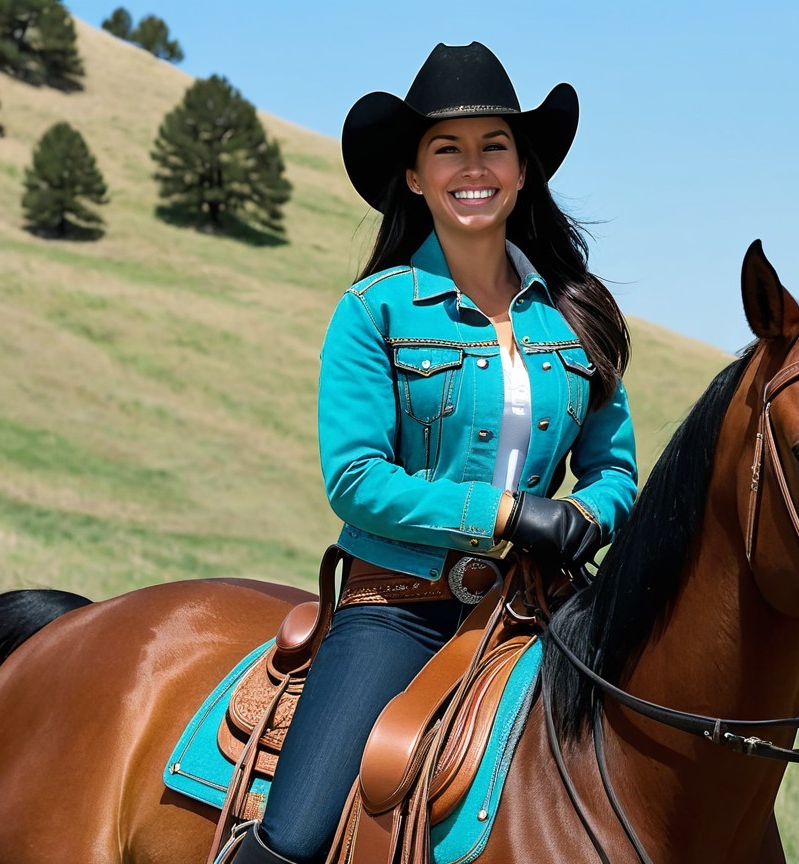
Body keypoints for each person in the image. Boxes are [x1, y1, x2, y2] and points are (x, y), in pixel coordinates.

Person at [233, 41, 637, 864]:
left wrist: (585, 516)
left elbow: (616, 469)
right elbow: (356, 480)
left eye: (495, 145)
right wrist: (505, 514)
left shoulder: (578, 316)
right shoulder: (373, 311)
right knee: (300, 830)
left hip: (547, 612)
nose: (473, 166)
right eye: (446, 148)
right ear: (415, 177)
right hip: (401, 611)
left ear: (523, 169)